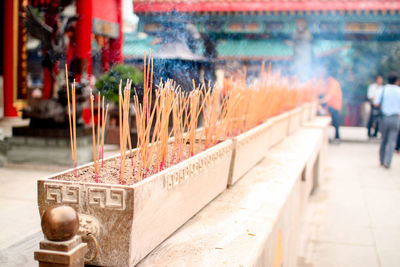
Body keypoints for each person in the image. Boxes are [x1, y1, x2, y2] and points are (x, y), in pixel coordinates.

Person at [373, 72, 400, 168]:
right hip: (395, 118)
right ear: (397, 81)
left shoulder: (383, 90)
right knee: (392, 141)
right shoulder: (399, 91)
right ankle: (387, 162)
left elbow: (376, 103)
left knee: (383, 139)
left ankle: (381, 159)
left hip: (384, 117)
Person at [320, 74, 343, 143]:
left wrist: (321, 102)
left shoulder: (334, 84)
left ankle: (337, 137)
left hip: (335, 106)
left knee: (336, 122)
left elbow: (329, 96)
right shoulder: (328, 84)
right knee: (332, 121)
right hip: (330, 106)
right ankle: (333, 137)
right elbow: (323, 92)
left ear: (329, 77)